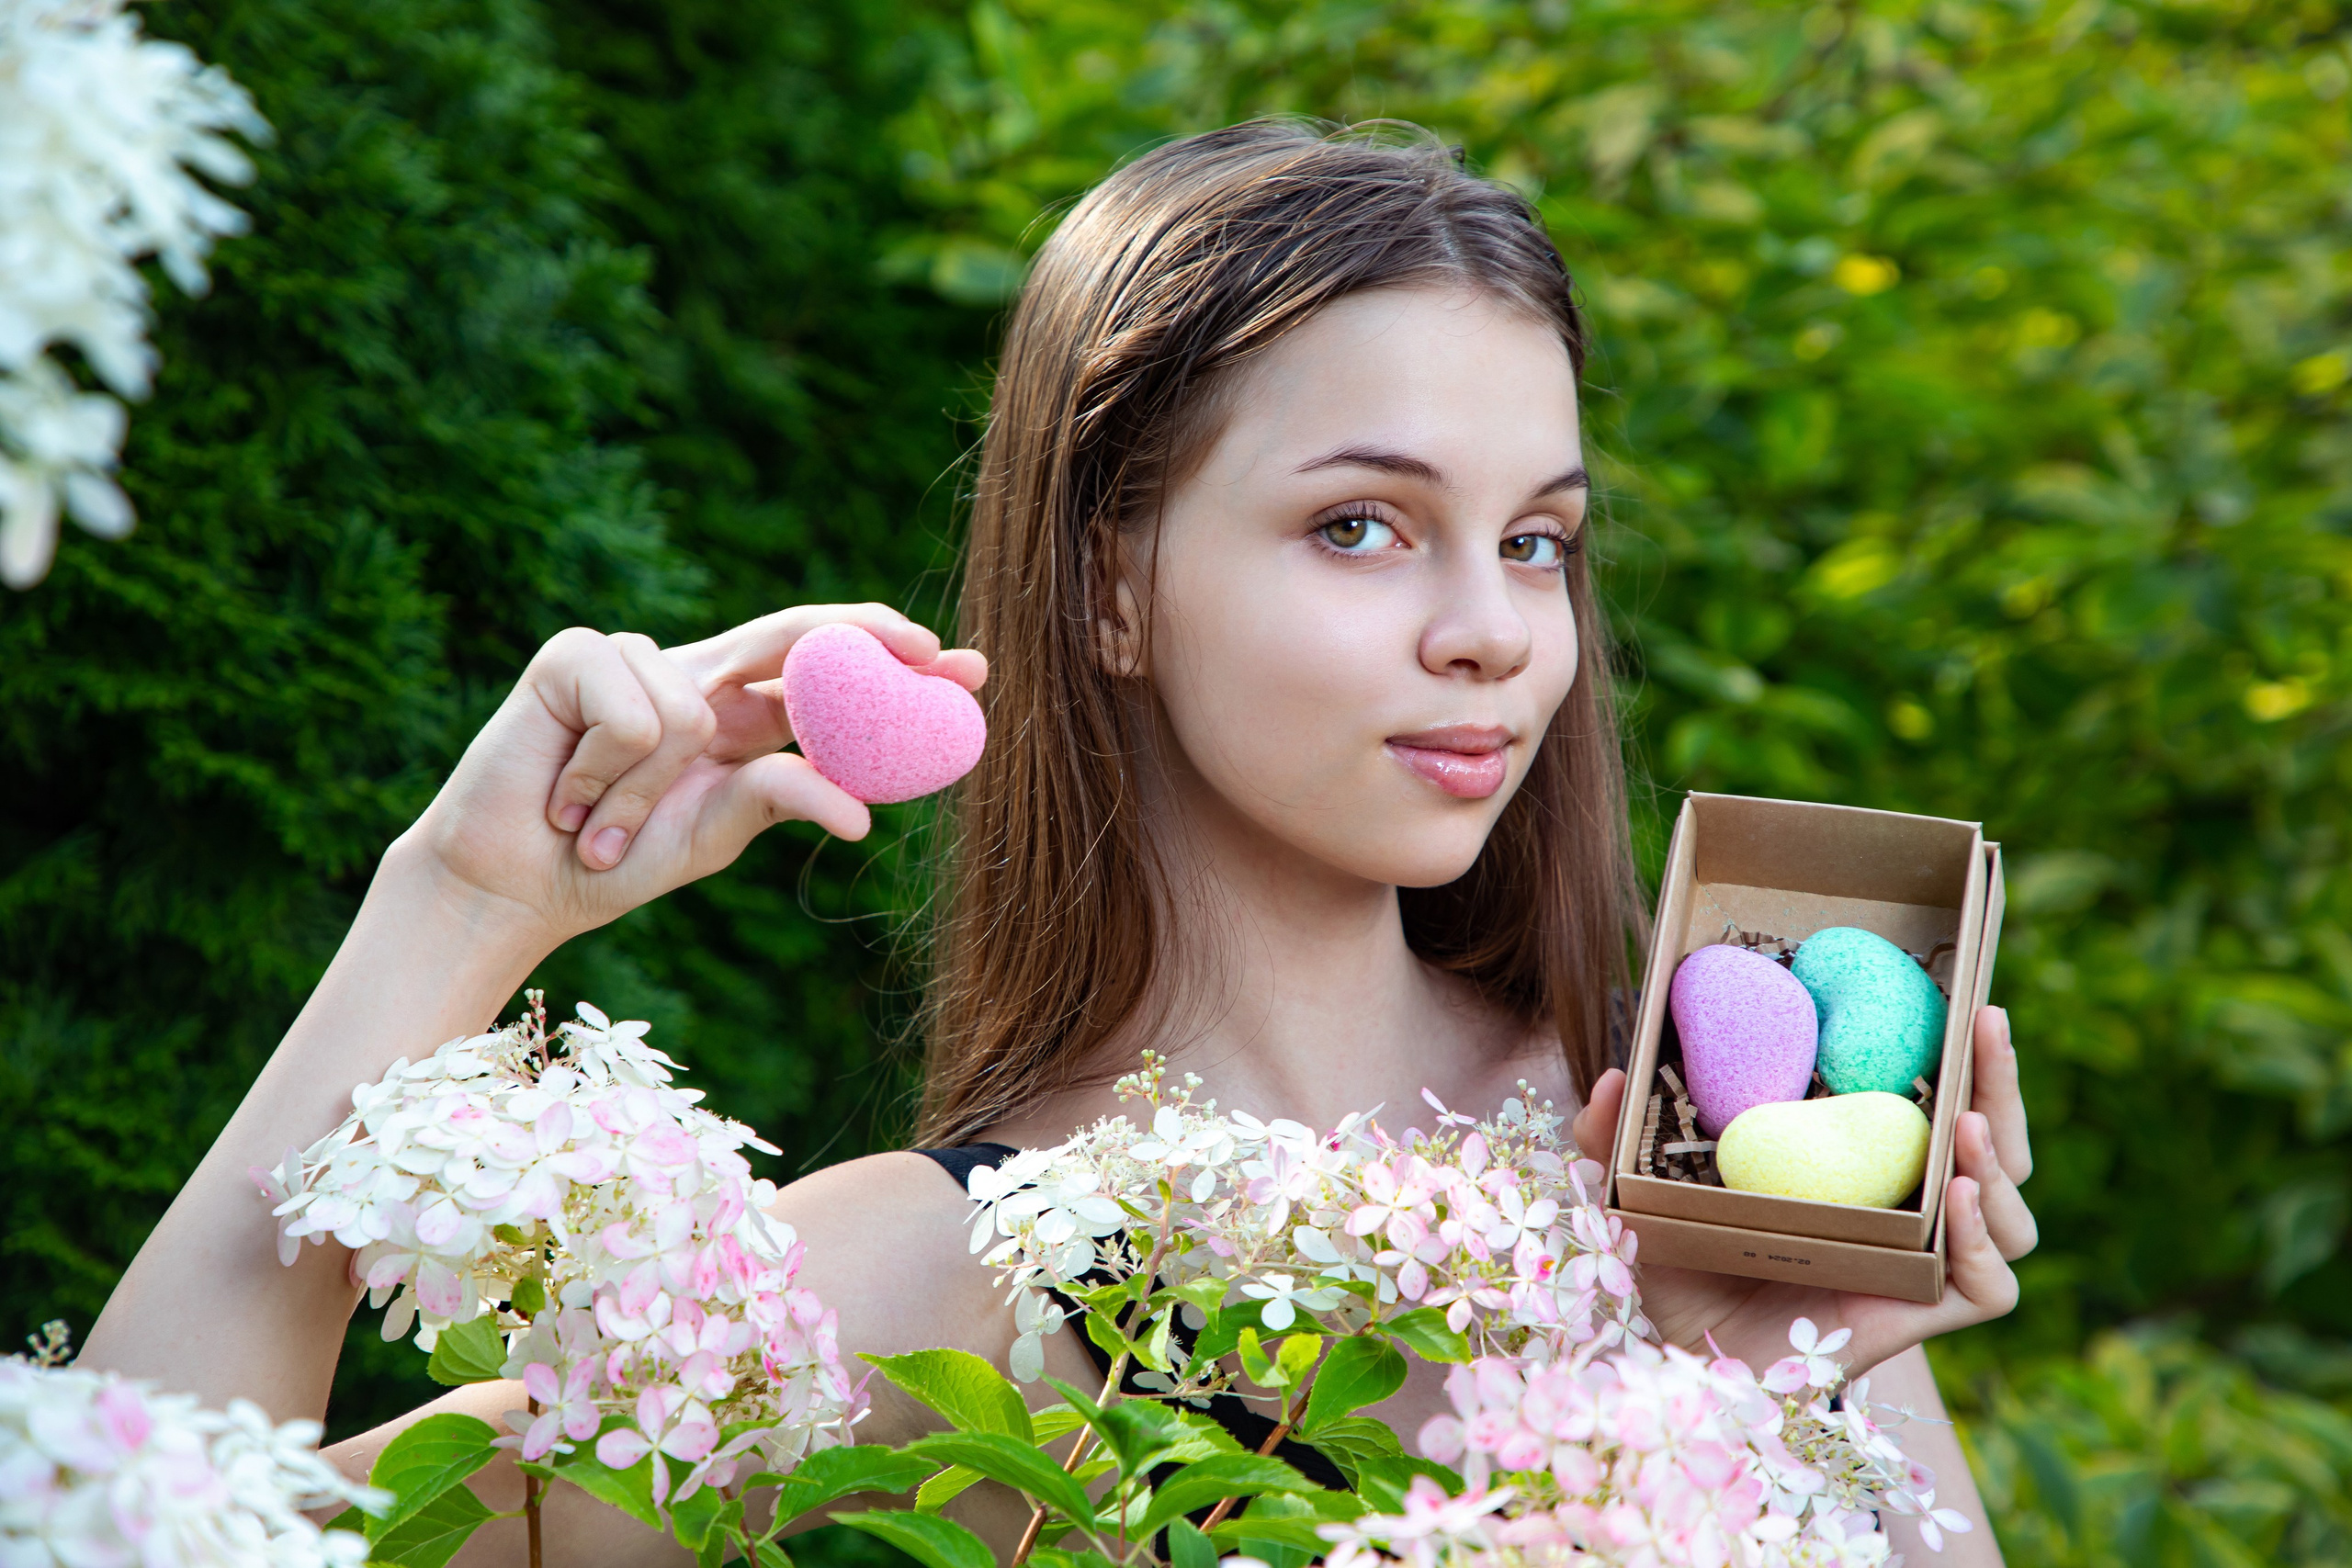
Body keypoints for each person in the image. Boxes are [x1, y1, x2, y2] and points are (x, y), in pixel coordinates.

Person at [84, 120, 2037, 1564]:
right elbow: (146, 1534)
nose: (1493, 628)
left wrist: (1761, 1378)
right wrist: (462, 901)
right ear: (1107, 580)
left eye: (1535, 536)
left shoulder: (1699, 1160)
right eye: (1359, 523)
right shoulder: (920, 1273)